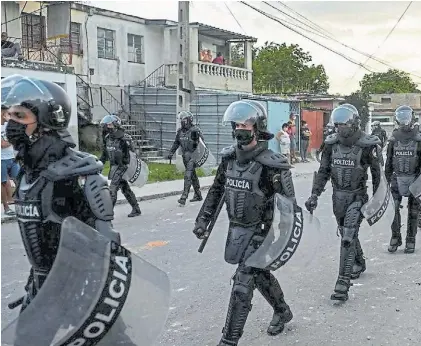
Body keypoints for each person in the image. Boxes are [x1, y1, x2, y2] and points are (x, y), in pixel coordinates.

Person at [1, 75, 134, 344]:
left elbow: (106, 245)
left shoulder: (77, 174)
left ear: (48, 119)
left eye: (19, 116)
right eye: (7, 116)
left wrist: (96, 300)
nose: (9, 124)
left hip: (82, 288)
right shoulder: (28, 174)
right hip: (42, 287)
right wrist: (35, 283)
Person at [193, 99, 296, 345]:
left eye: (246, 124)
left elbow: (289, 206)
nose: (240, 129)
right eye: (237, 124)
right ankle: (282, 310)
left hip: (264, 232)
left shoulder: (272, 165)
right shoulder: (229, 159)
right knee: (259, 275)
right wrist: (203, 219)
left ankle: (229, 340)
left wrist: (282, 238)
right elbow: (216, 192)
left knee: (243, 282)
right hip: (238, 230)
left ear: (257, 128)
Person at [305, 105, 382, 302]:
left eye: (344, 124)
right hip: (337, 198)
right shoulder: (331, 144)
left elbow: (377, 175)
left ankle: (342, 283)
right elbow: (323, 172)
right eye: (337, 124)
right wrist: (314, 194)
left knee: (348, 235)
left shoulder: (366, 145)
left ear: (354, 123)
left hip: (357, 196)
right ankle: (358, 261)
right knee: (346, 232)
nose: (341, 128)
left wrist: (376, 200)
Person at [385, 105, 421, 254]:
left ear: (412, 118)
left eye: (407, 117)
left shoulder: (419, 138)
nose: (405, 120)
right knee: (393, 209)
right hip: (397, 176)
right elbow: (389, 160)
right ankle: (395, 237)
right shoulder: (393, 138)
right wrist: (385, 181)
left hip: (415, 177)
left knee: (413, 211)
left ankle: (411, 239)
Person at [99, 114, 141, 217]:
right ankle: (136, 209)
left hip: (122, 166)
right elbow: (105, 154)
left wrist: (130, 165)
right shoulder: (108, 138)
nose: (107, 127)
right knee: (125, 188)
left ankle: (107, 213)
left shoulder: (124, 138)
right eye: (106, 125)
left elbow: (133, 153)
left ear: (115, 124)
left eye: (109, 125)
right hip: (114, 167)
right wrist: (99, 164)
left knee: (112, 189)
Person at [167, 111, 203, 205]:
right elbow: (176, 143)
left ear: (189, 120)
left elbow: (202, 144)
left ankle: (184, 196)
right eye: (181, 120)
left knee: (188, 175)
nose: (182, 122)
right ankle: (198, 194)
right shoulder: (180, 132)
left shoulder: (195, 130)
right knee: (192, 175)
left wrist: (196, 144)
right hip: (185, 157)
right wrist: (171, 152)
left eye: (184, 120)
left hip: (193, 156)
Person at [1, 106, 20, 215]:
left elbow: (17, 137)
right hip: (1, 159)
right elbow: (2, 145)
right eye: (6, 113)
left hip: (12, 157)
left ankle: (20, 203)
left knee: (19, 179)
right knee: (3, 183)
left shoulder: (8, 125)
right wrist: (12, 140)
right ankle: (6, 207)